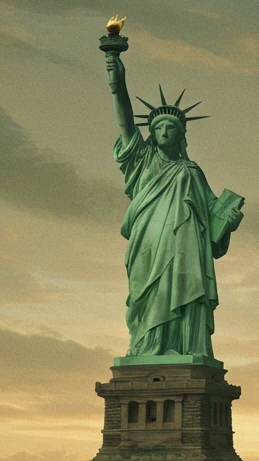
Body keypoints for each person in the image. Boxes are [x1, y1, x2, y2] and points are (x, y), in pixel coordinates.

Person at [105, 50, 244, 359]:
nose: (164, 132)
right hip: (149, 242)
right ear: (152, 135)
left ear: (182, 135)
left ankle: (186, 347)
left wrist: (229, 223)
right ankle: (146, 347)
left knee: (186, 290)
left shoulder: (191, 172)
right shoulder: (142, 162)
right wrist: (118, 84)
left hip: (185, 247)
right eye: (158, 128)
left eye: (171, 128)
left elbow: (211, 219)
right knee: (148, 294)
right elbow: (126, 122)